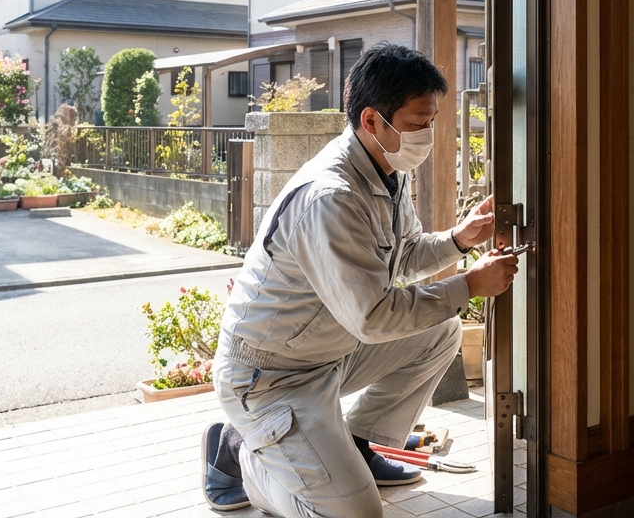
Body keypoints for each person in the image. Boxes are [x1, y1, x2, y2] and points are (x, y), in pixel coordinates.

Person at [202, 43, 520, 517]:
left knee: (441, 331)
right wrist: (469, 285)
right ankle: (244, 455)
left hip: (328, 350)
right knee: (358, 516)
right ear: (372, 121)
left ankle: (354, 444)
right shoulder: (331, 197)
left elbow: (404, 255)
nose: (427, 135)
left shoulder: (386, 169)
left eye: (431, 121)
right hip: (269, 376)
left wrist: (459, 238)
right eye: (417, 123)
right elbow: (374, 317)